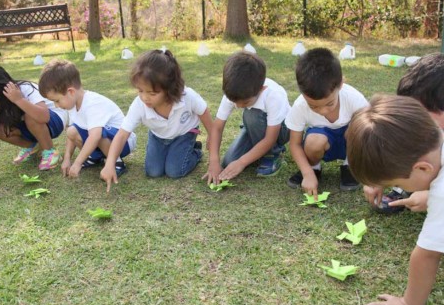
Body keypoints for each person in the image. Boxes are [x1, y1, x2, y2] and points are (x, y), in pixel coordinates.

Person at [346, 95, 444, 305]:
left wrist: (409, 304)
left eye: (397, 183)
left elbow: (427, 254)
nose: (398, 188)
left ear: (422, 168)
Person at [364, 53, 444, 213]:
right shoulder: (440, 106)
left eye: (420, 115)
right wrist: (381, 176)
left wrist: (434, 197)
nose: (413, 121)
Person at [100, 49, 212, 191]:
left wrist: (211, 137)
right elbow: (122, 135)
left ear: (170, 89)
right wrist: (110, 163)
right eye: (140, 91)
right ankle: (173, 152)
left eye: (152, 93)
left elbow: (205, 115)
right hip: (158, 135)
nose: (145, 97)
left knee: (174, 171)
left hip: (183, 134)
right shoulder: (139, 104)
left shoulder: (187, 96)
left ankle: (195, 151)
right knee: (153, 172)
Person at [285, 48, 368, 197]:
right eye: (313, 106)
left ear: (341, 84)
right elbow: (295, 144)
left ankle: (349, 166)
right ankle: (314, 168)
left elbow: (370, 133)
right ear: (302, 93)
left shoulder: (354, 98)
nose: (323, 111)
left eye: (329, 104)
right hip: (321, 141)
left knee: (361, 127)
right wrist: (307, 173)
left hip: (351, 143)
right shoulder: (299, 106)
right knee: (314, 141)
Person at [38, 59, 136, 178]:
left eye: (57, 100)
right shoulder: (72, 104)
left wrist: (78, 163)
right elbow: (71, 135)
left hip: (123, 143)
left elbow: (95, 137)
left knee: (96, 134)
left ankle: (117, 163)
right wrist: (67, 158)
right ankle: (95, 158)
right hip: (106, 139)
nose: (56, 105)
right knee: (72, 130)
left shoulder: (92, 104)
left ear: (71, 92)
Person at [203, 52, 290, 184]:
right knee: (229, 162)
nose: (238, 106)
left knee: (251, 114)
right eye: (235, 101)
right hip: (253, 128)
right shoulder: (233, 90)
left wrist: (242, 162)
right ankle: (257, 150)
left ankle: (273, 154)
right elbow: (217, 128)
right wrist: (214, 161)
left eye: (245, 103)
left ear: (261, 89)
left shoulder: (273, 95)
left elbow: (270, 138)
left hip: (280, 131)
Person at [0, 63, 66, 171]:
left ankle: (50, 151)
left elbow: (44, 117)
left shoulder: (25, 88)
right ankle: (34, 147)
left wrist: (19, 100)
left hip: (55, 120)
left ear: (2, 87)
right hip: (31, 126)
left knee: (30, 114)